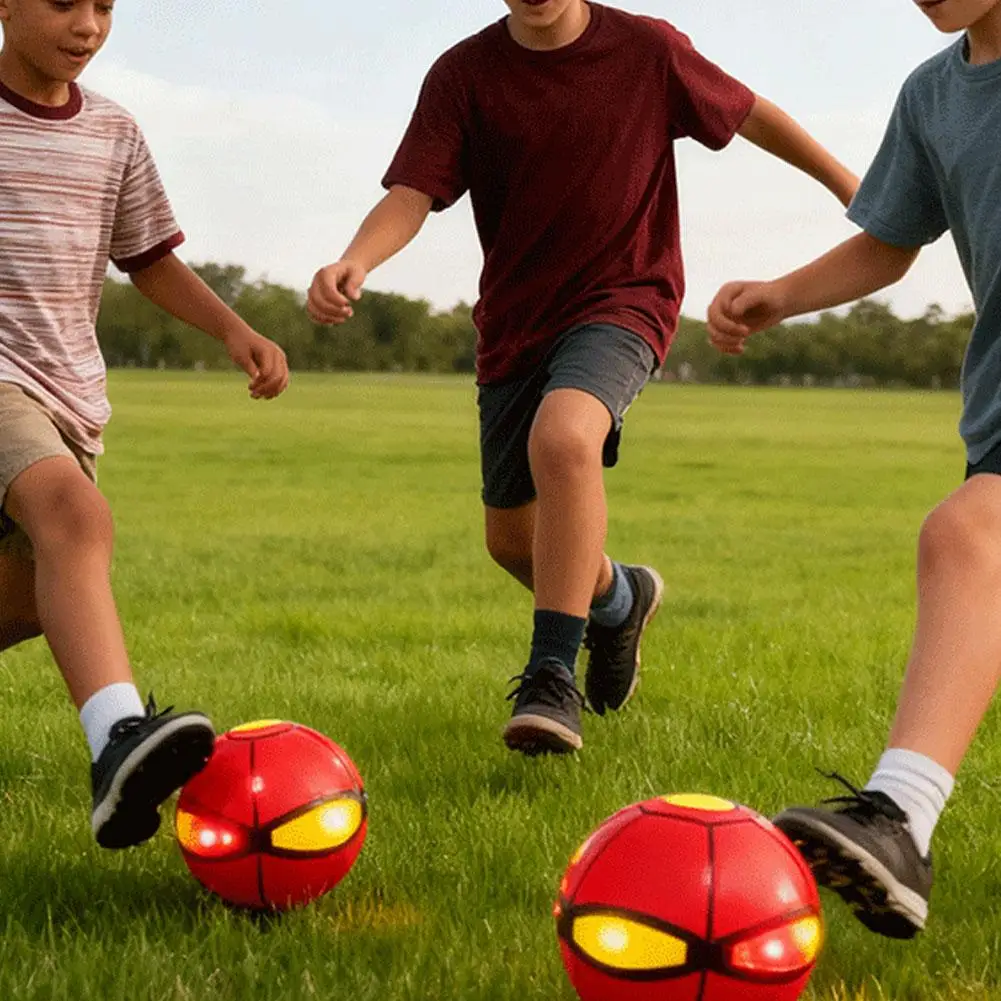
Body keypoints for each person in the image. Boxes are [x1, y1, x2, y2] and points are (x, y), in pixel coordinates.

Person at [308, 0, 857, 756]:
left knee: (564, 436)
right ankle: (618, 597)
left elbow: (750, 113)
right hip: (514, 322)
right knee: (510, 542)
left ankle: (550, 676)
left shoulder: (646, 50)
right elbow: (411, 194)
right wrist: (355, 260)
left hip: (624, 297)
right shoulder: (463, 76)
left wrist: (847, 184)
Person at [706, 0, 1001, 942]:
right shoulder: (931, 98)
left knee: (965, 534)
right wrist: (780, 296)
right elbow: (889, 238)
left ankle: (898, 815)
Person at [0, 0, 290, 849]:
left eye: (105, 6)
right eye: (64, 2)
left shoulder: (113, 132)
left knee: (29, 602)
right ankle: (117, 740)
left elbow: (149, 257)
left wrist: (234, 328)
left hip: (68, 395)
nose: (87, 24)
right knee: (75, 518)